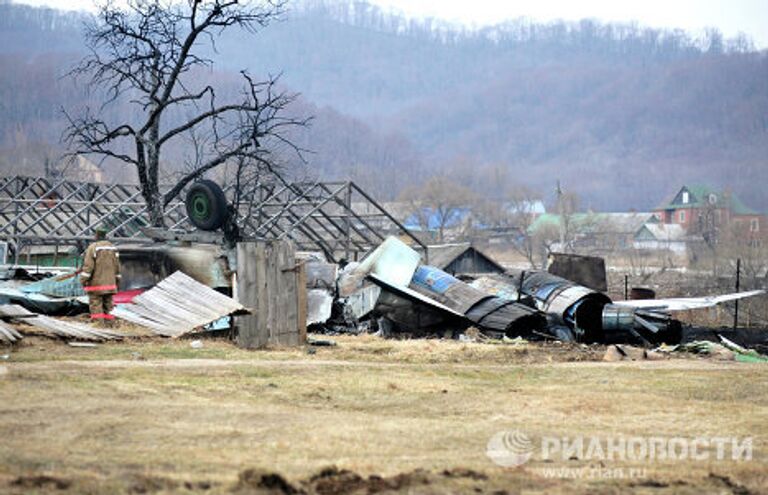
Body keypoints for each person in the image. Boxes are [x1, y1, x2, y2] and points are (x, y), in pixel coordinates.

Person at [80, 227, 121, 324]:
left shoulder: (93, 248)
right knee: (108, 306)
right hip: (111, 284)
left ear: (96, 236)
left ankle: (98, 325)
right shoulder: (113, 248)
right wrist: (117, 281)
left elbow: (88, 267)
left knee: (96, 304)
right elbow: (117, 267)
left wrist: (83, 280)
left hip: (96, 285)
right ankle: (109, 325)